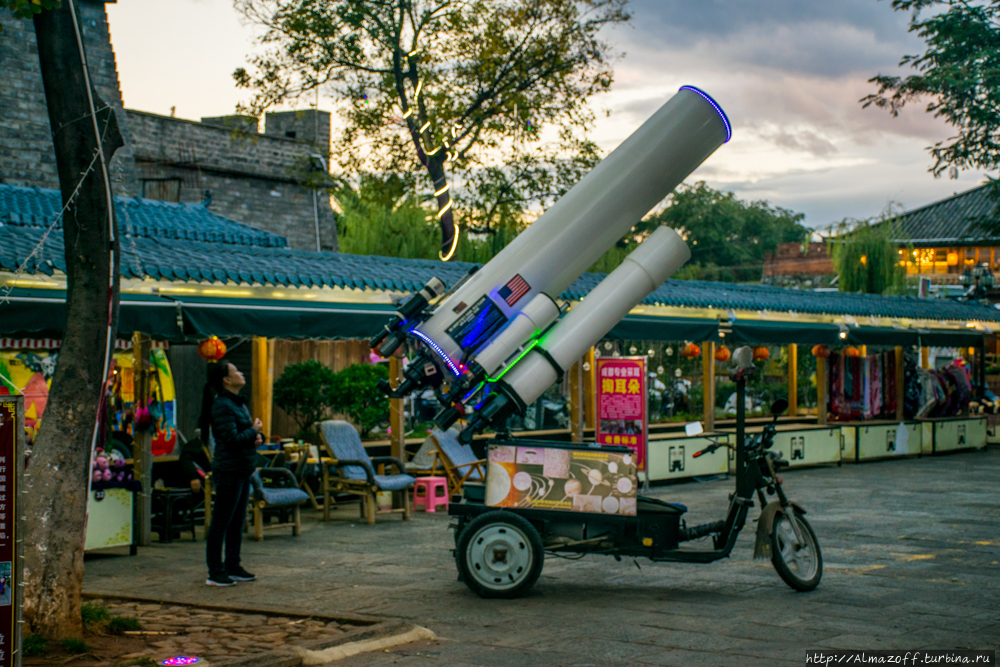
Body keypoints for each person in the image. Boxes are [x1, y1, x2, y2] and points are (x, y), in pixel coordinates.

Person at [202, 360, 262, 587]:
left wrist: (257, 437)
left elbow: (244, 435)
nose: (241, 372)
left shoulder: (238, 404)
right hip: (228, 470)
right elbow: (231, 439)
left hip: (242, 468)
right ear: (226, 379)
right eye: (236, 370)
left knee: (237, 521)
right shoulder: (222, 406)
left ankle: (233, 565)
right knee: (221, 521)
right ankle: (215, 571)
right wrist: (253, 431)